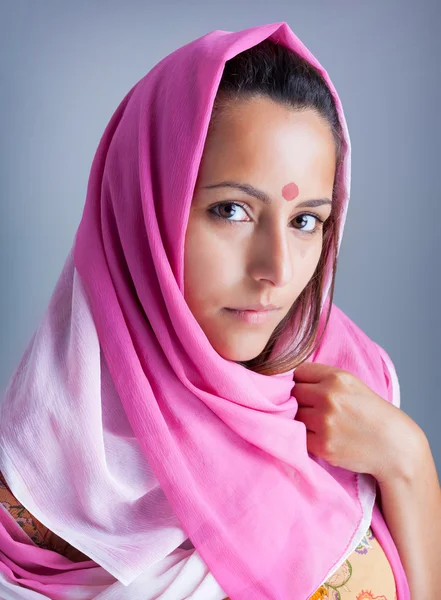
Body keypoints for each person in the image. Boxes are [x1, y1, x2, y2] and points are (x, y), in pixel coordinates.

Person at [0, 21, 439, 600]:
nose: (276, 270)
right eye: (231, 210)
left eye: (306, 220)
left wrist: (409, 463)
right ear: (143, 210)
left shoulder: (351, 392)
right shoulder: (37, 494)